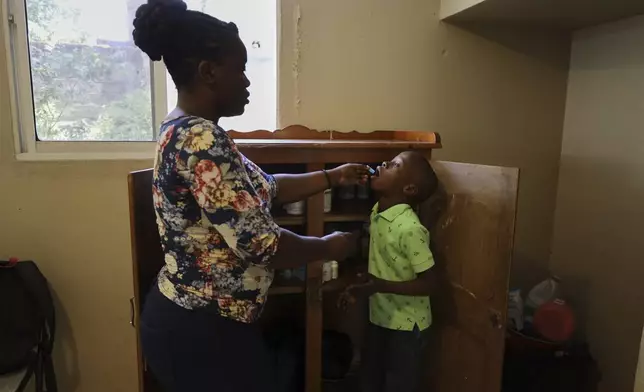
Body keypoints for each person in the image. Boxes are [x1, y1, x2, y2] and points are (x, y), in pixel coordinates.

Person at [131, 1, 369, 391]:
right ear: (208, 72)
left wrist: (331, 176)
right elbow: (263, 245)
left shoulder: (187, 130)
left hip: (197, 320)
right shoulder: (203, 139)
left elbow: (264, 188)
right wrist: (331, 246)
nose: (247, 82)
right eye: (239, 69)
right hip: (200, 328)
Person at [339, 151, 439, 392]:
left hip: (407, 325)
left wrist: (379, 286)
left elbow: (430, 284)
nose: (382, 164)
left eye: (394, 165)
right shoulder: (378, 213)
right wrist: (360, 284)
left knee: (399, 383)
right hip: (381, 315)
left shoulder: (410, 229)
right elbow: (385, 263)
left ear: (410, 190)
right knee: (370, 375)